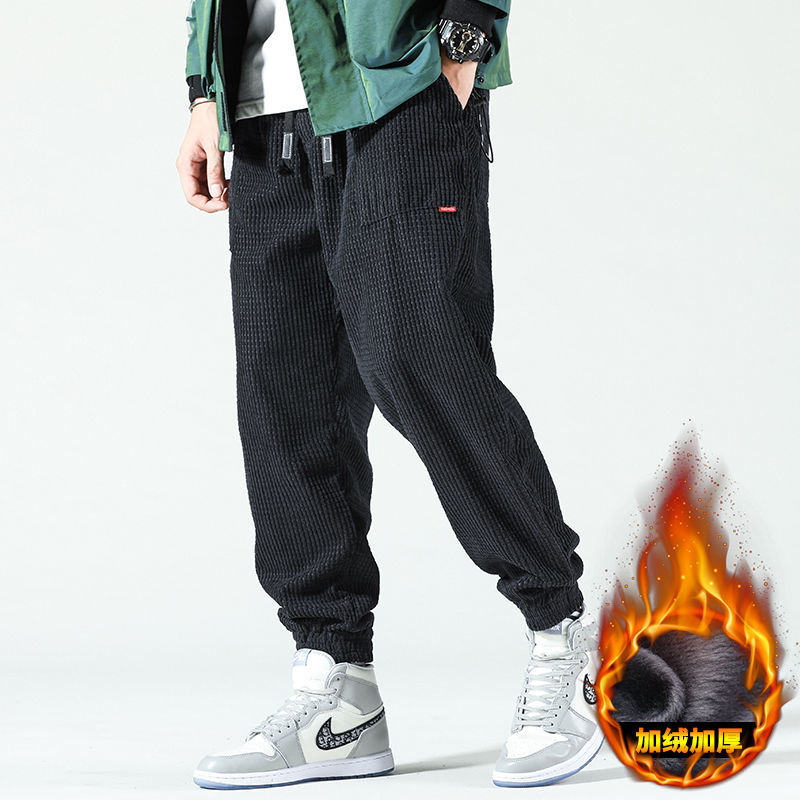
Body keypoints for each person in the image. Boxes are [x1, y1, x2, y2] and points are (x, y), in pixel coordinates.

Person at [176, 0, 602, 789]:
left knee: (420, 361)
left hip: (398, 88)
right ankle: (335, 685)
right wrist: (206, 91)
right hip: (262, 111)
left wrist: (464, 43)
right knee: (284, 397)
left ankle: (565, 634)